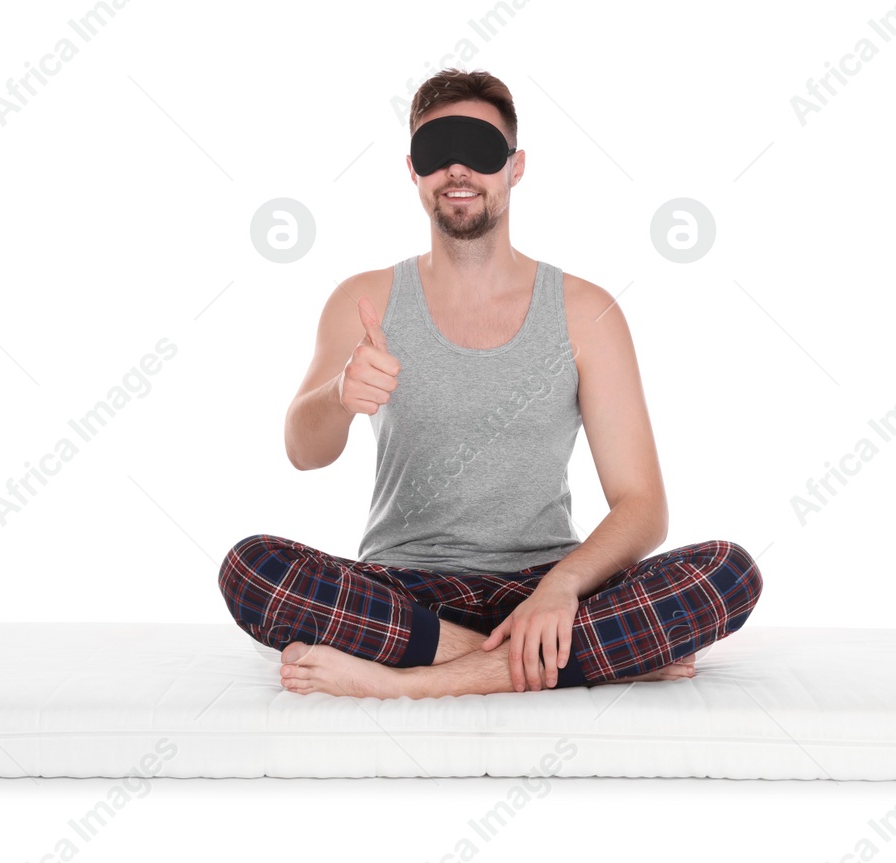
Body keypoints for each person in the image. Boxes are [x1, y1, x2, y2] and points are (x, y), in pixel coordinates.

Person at [219, 68, 763, 699]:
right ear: (413, 171)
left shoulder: (586, 312)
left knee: (729, 572)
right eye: (436, 154)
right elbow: (301, 450)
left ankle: (408, 684)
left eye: (478, 151)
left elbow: (643, 505)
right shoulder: (362, 298)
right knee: (251, 569)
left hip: (546, 580)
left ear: (515, 166)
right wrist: (340, 396)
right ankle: (573, 659)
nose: (457, 171)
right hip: (407, 586)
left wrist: (559, 590)